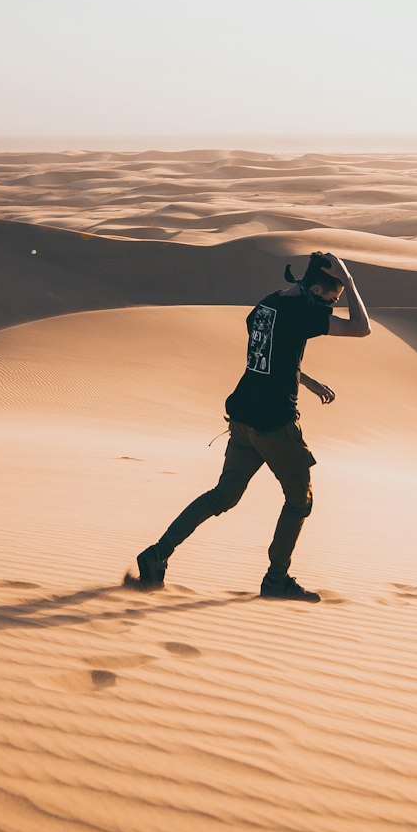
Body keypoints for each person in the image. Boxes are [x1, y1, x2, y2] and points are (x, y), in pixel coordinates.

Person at [136, 251, 371, 601]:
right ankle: (277, 580)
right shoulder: (305, 311)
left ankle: (158, 552)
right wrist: (350, 282)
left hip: (244, 419)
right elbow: (360, 328)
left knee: (223, 496)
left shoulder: (268, 304)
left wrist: (304, 380)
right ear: (319, 290)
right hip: (274, 424)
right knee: (299, 501)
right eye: (333, 299)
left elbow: (267, 353)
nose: (332, 306)